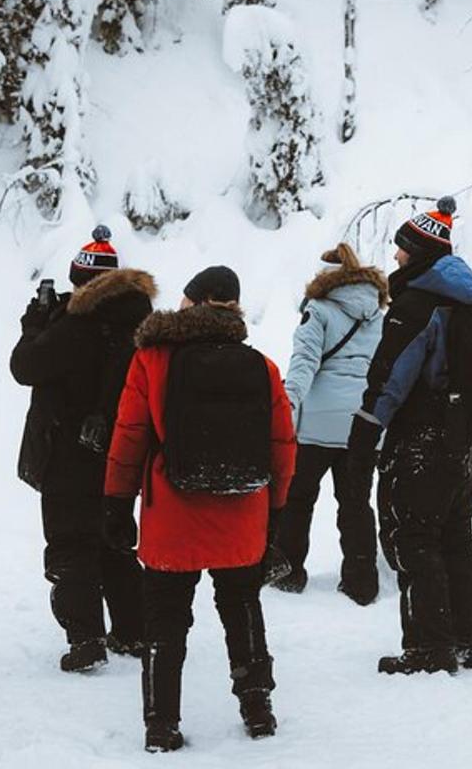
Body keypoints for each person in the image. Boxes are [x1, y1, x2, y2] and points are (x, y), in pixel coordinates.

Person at [103, 266, 296, 752]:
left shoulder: (151, 359)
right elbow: (282, 446)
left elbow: (129, 437)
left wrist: (116, 502)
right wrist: (275, 509)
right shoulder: (262, 366)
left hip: (173, 514)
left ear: (196, 301)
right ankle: (258, 710)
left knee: (165, 618)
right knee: (242, 608)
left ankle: (161, 724)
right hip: (243, 510)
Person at [341, 196, 472, 675]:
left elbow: (392, 377)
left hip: (423, 439)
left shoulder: (416, 305)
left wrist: (365, 432)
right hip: (465, 440)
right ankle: (467, 640)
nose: (396, 256)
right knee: (457, 536)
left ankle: (428, 648)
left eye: (402, 248)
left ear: (419, 253)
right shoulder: (469, 306)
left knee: (415, 538)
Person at [10, 225, 154, 673]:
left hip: (70, 453)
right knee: (112, 539)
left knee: (72, 542)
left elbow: (25, 366)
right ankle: (133, 630)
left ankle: (85, 637)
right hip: (121, 450)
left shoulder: (78, 325)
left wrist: (36, 324)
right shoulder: (139, 323)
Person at [270, 243, 385, 600]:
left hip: (317, 426)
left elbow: (305, 361)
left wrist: (286, 404)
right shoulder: (379, 316)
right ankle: (362, 582)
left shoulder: (317, 310)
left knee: (298, 499)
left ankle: (288, 574)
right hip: (362, 424)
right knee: (355, 503)